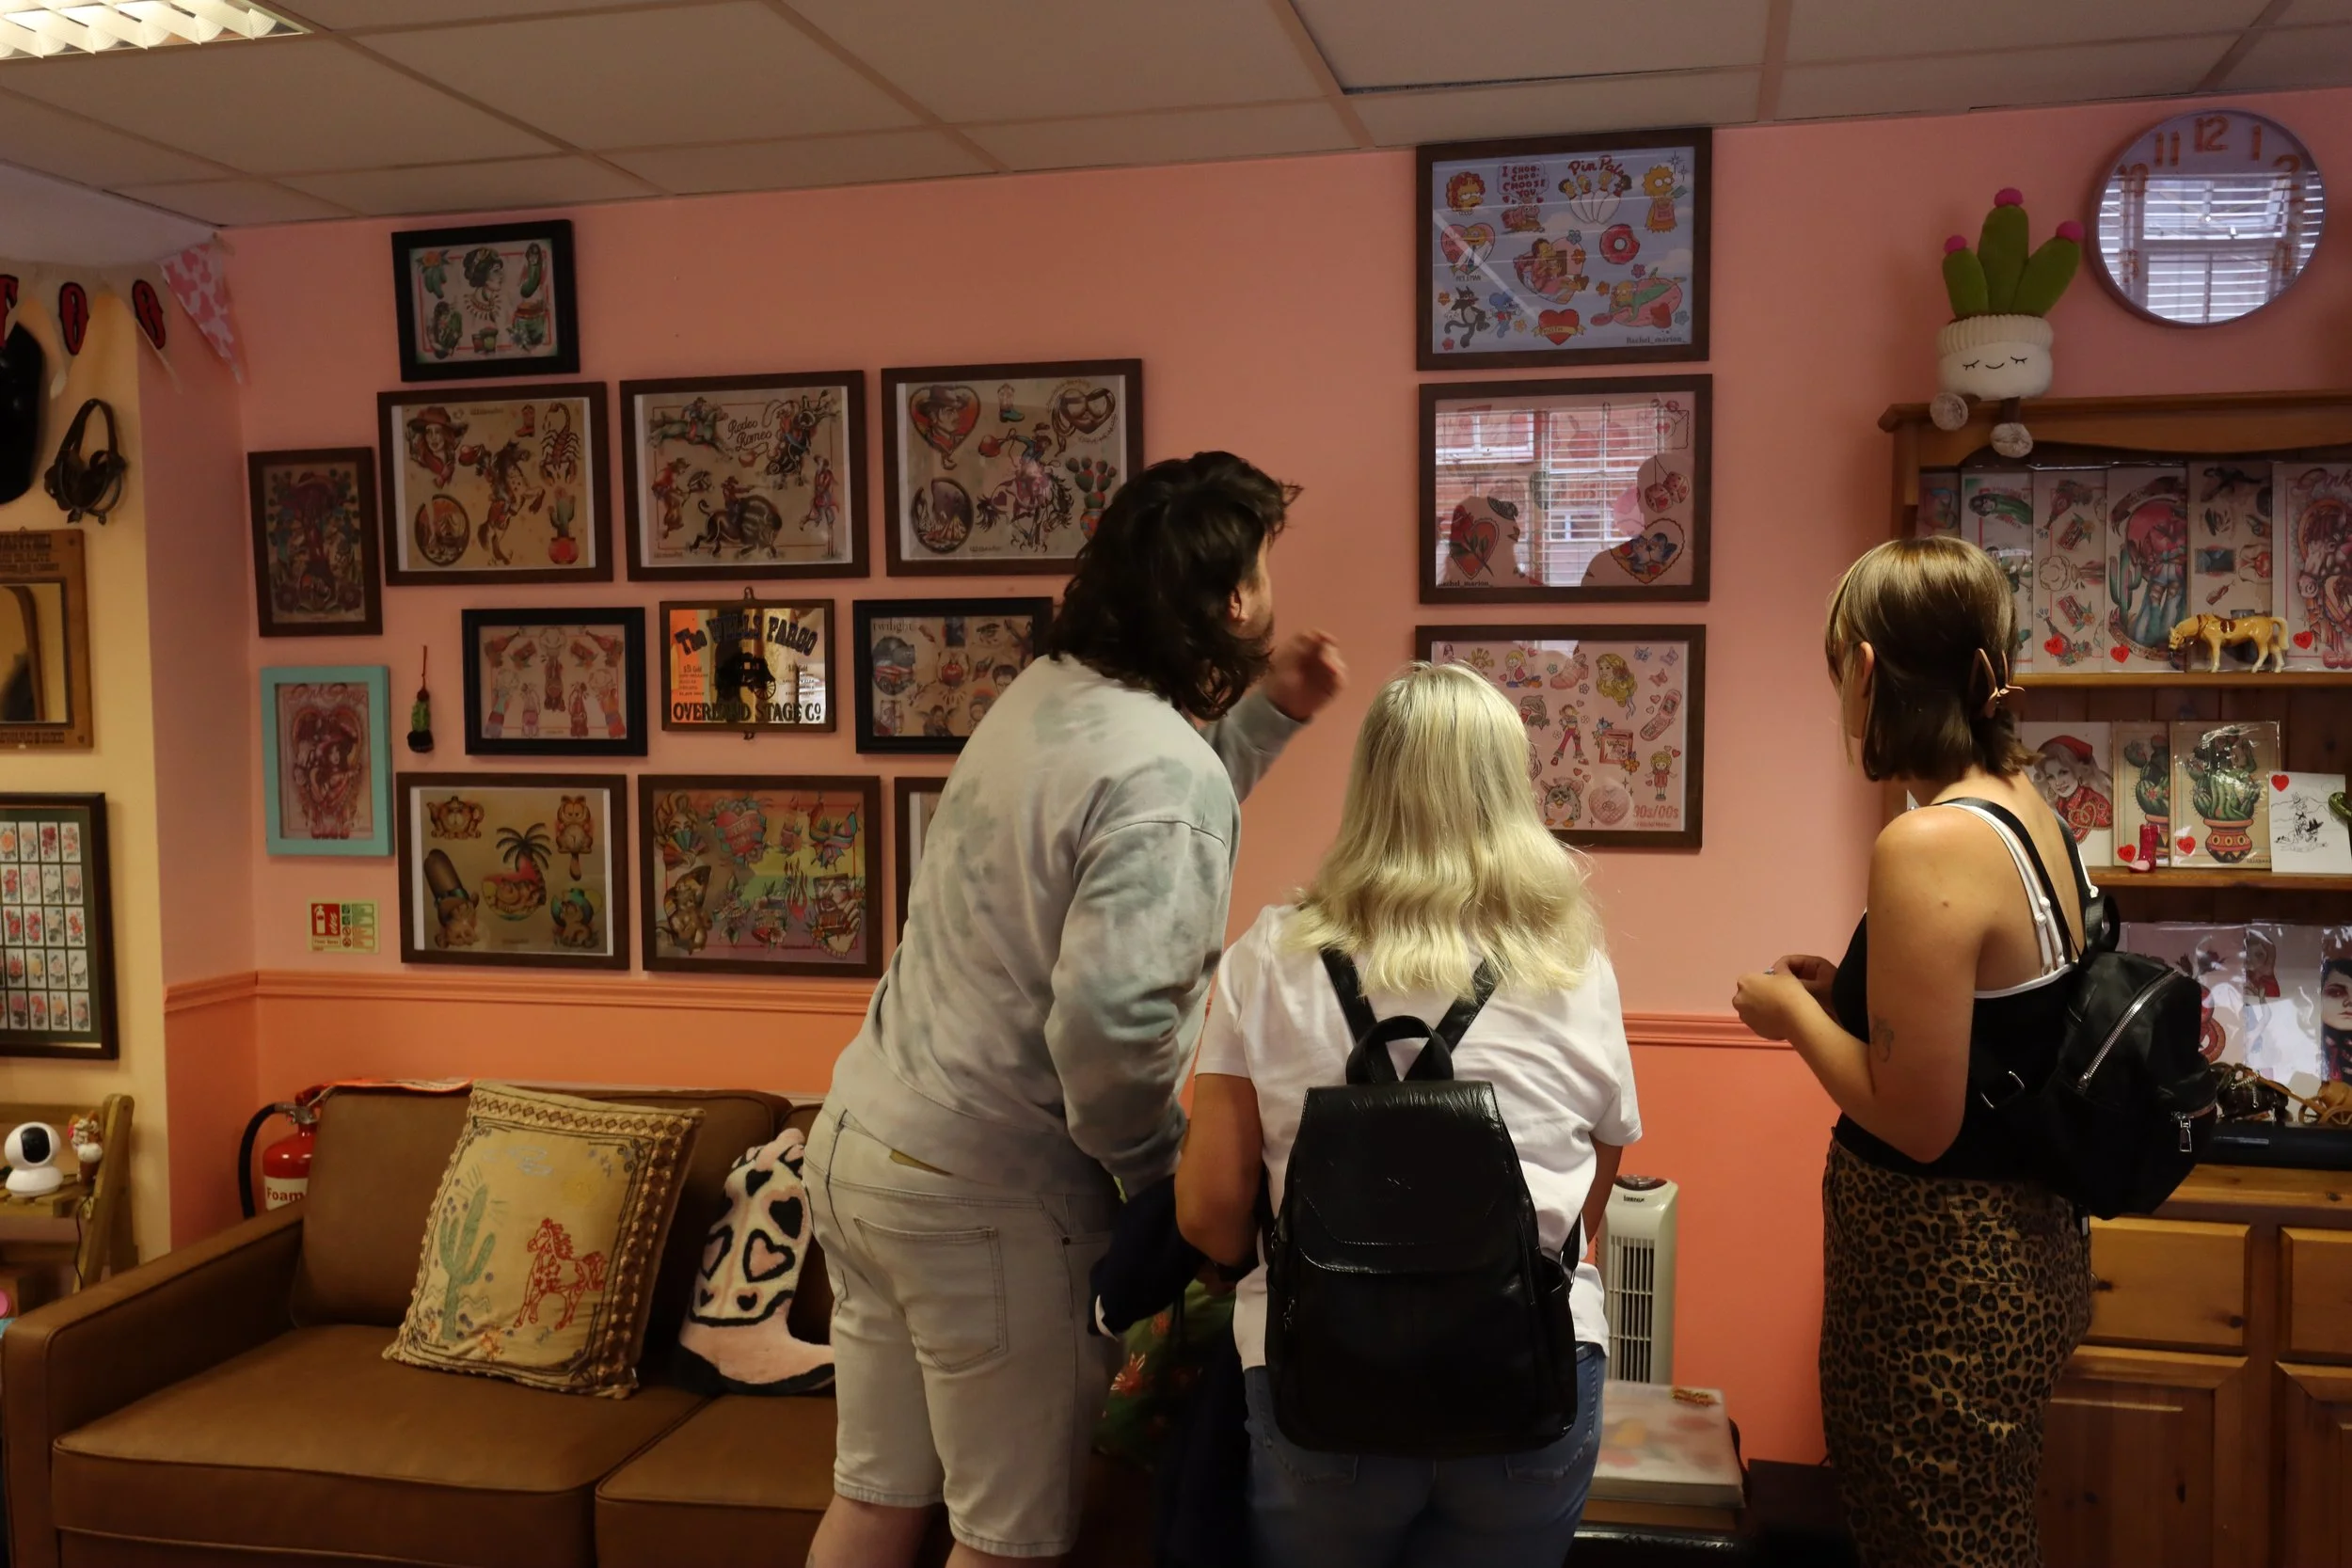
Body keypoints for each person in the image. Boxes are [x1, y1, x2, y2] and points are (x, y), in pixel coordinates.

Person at [804, 451, 1347, 1568]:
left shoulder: (1045, 697)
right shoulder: (1160, 774)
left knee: (876, 1499)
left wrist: (1266, 715)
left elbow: (1131, 825)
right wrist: (1167, 1185)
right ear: (1235, 599)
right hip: (985, 1195)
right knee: (1007, 1543)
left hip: (860, 1148)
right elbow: (1108, 1029)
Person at [1176, 661, 1638, 1568]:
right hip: (1526, 1376)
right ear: (1509, 789)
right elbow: (1595, 1182)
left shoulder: (1268, 956)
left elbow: (1210, 1214)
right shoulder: (1572, 962)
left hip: (1322, 1377)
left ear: (1370, 787)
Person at [1732, 535, 2097, 1568]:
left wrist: (1790, 1016)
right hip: (2027, 1251)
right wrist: (1844, 995)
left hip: (1946, 1284)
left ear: (1863, 671)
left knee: (1935, 1541)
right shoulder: (2027, 810)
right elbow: (1991, 1034)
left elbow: (1919, 1118)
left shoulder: (1927, 841)